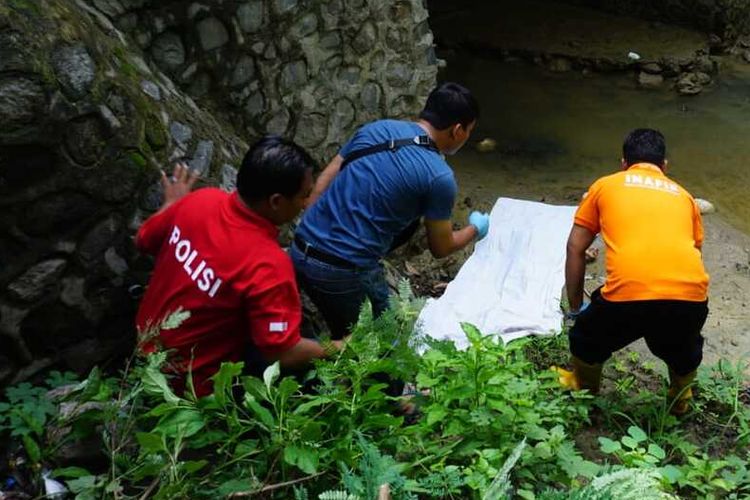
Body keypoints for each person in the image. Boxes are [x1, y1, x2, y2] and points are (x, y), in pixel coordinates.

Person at [135, 136, 343, 397]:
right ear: (276, 201)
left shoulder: (199, 200)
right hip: (188, 388)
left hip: (143, 352)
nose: (305, 204)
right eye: (303, 195)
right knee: (308, 376)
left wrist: (170, 206)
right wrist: (339, 346)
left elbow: (144, 240)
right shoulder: (268, 265)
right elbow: (282, 351)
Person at [292, 82, 488, 339]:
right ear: (458, 130)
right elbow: (441, 247)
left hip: (299, 249)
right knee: (386, 350)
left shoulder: (376, 129)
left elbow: (322, 184)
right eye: (469, 131)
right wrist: (476, 228)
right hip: (343, 270)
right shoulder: (439, 177)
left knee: (340, 335)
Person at [557, 128, 709, 415]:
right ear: (664, 167)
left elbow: (575, 248)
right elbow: (695, 255)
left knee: (585, 338)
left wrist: (576, 309)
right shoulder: (685, 196)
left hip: (627, 298)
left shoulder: (605, 185)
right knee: (684, 349)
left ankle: (583, 388)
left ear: (623, 163)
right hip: (689, 298)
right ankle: (680, 398)